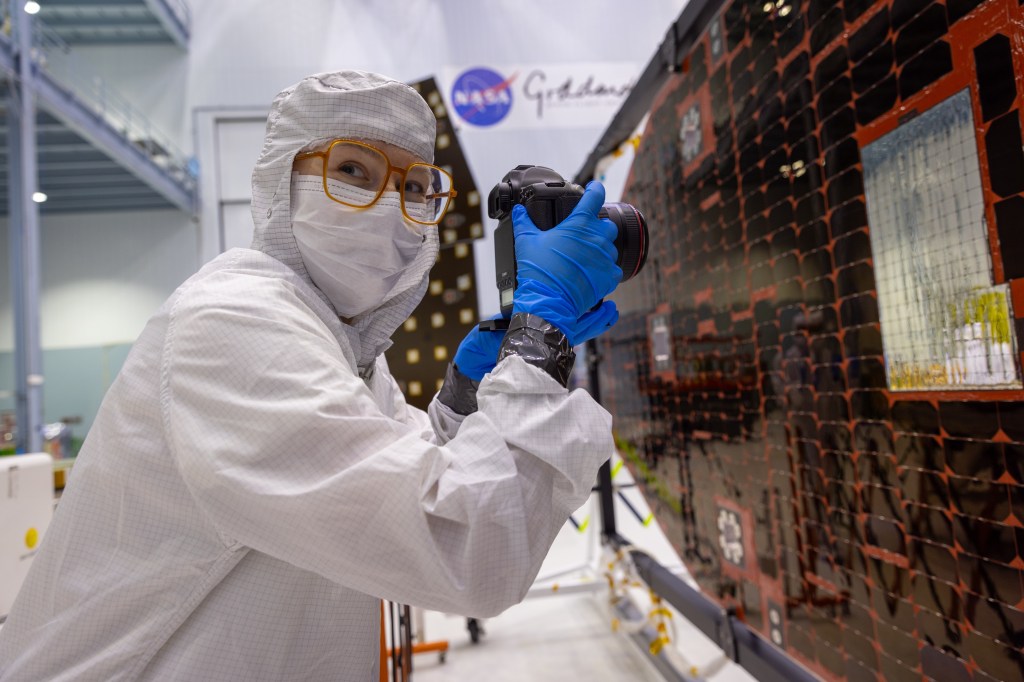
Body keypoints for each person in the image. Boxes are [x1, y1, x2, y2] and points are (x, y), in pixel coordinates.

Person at [0, 70, 622, 681]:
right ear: (281, 180)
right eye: (352, 170)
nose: (387, 207)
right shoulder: (232, 324)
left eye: (412, 186)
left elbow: (394, 474)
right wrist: (539, 343)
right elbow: (467, 544)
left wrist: (461, 397)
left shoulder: (338, 345)